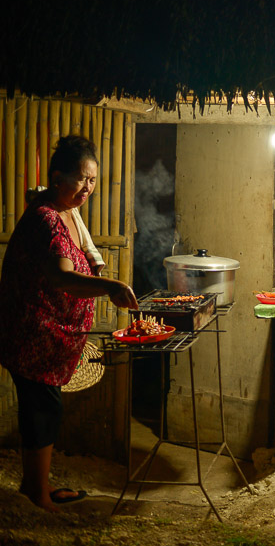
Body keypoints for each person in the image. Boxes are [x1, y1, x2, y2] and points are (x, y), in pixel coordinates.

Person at [0, 135, 139, 512]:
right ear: (57, 177)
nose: (87, 188)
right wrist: (109, 285)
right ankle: (36, 495)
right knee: (42, 409)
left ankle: (36, 486)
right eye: (80, 178)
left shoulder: (67, 212)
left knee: (44, 407)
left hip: (50, 335)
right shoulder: (45, 218)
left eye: (92, 180)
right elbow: (61, 278)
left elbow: (82, 256)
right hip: (33, 333)